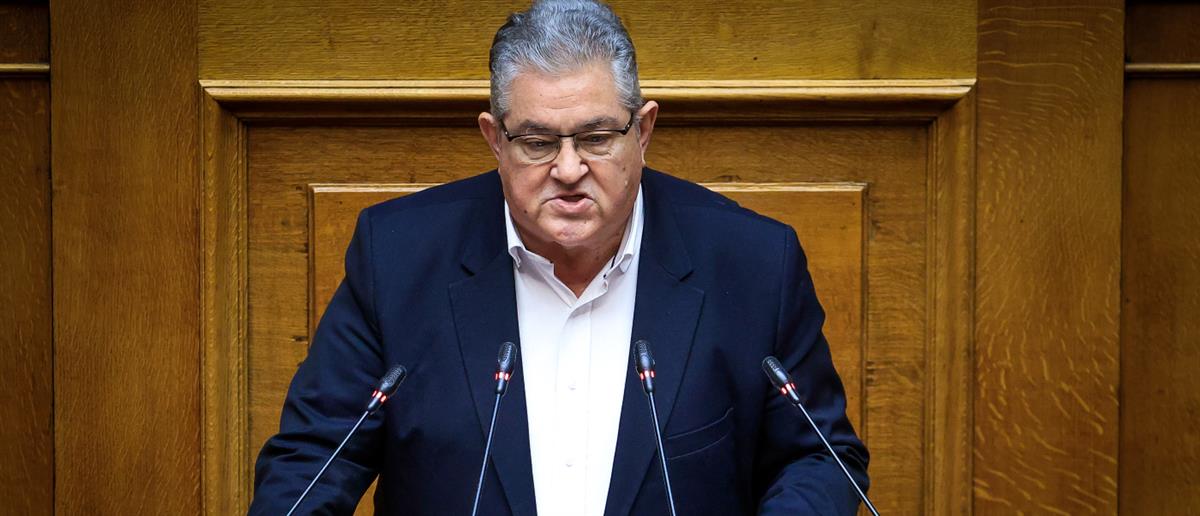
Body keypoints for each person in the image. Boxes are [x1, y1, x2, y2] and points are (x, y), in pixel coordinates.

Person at [249, 1, 869, 514]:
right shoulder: (398, 258)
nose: (569, 170)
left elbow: (820, 459)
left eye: (596, 138)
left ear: (643, 131)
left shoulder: (754, 264)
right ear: (495, 139)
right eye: (538, 142)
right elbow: (313, 460)